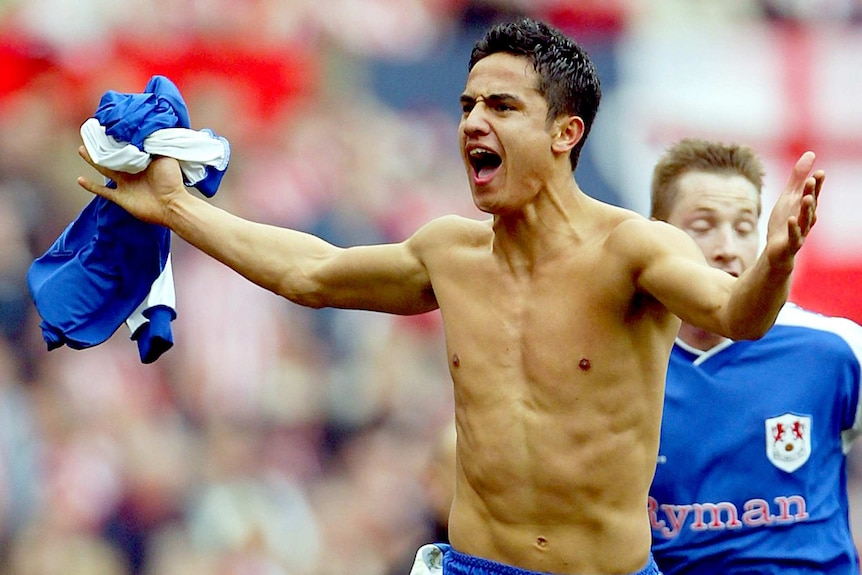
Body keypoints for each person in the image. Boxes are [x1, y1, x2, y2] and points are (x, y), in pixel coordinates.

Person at [75, 17, 824, 575]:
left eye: (501, 107)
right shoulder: (448, 251)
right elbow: (311, 273)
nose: (472, 121)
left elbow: (737, 315)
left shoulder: (634, 249)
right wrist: (179, 209)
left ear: (566, 131)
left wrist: (779, 257)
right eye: (468, 104)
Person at [648, 139, 861, 575]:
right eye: (703, 225)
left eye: (744, 227)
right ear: (655, 237)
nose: (728, 247)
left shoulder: (831, 350)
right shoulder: (615, 360)